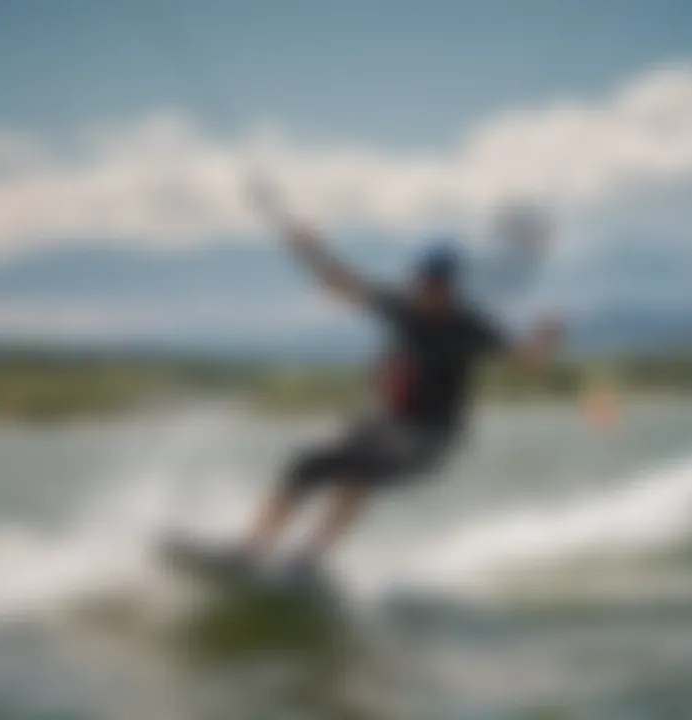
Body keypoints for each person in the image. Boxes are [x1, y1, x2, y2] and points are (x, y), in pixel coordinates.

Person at [227, 211, 563, 581]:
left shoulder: (470, 327)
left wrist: (544, 338)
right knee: (310, 463)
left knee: (358, 464)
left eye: (439, 284)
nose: (429, 290)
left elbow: (525, 360)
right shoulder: (403, 309)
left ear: (452, 287)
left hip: (430, 440)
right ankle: (251, 550)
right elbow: (343, 283)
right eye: (425, 281)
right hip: (389, 426)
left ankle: (308, 558)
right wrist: (310, 250)